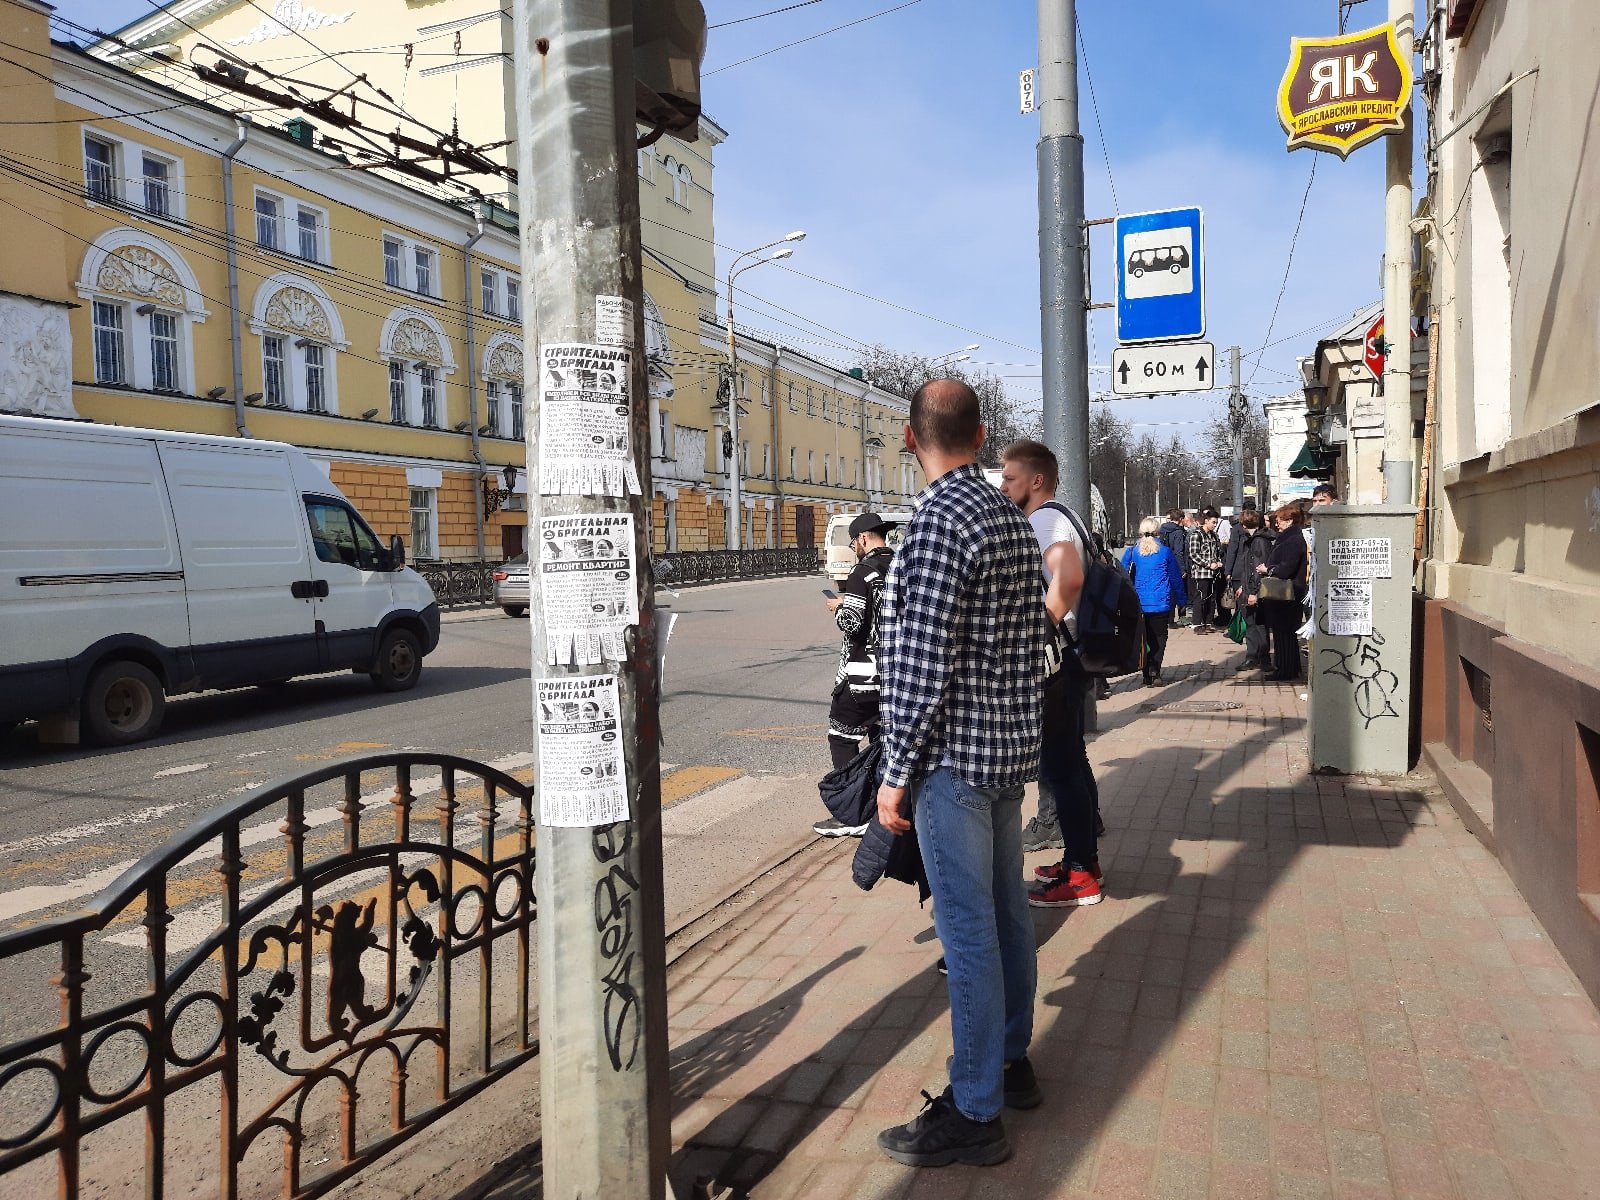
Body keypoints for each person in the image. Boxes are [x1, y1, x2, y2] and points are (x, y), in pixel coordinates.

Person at [874, 379, 1047, 1168]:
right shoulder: (1010, 520)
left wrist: (892, 775)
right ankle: (1010, 1064)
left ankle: (975, 1112)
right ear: (979, 436)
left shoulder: (936, 523)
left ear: (912, 439)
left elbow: (920, 667)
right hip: (1008, 755)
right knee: (1008, 916)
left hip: (954, 766)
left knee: (968, 933)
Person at [996, 440, 1101, 904]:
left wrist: (1038, 630)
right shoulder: (1062, 514)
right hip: (1075, 658)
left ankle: (1081, 876)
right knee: (1070, 766)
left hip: (1060, 663)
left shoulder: (1043, 520)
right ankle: (1082, 861)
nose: (1003, 485)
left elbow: (1070, 576)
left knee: (1062, 770)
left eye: (1010, 478)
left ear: (1036, 481)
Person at [813, 512, 895, 837]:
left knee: (841, 736)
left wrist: (839, 608)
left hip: (864, 673)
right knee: (880, 738)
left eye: (853, 543)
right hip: (896, 672)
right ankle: (880, 807)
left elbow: (853, 623)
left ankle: (854, 814)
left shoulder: (862, 572)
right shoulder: (899, 566)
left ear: (862, 539)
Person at [1121, 517, 1187, 686]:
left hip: (1140, 603)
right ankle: (1154, 670)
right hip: (1160, 602)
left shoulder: (1132, 552)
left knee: (1143, 638)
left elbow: (1121, 574)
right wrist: (1182, 600)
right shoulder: (1165, 552)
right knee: (1159, 637)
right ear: (1158, 531)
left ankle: (1145, 673)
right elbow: (1175, 578)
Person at [1255, 504, 1309, 681]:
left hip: (1287, 593)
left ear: (1289, 520)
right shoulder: (1291, 537)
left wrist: (1268, 569)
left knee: (1283, 633)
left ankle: (1285, 669)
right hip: (1289, 592)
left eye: (1278, 521)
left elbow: (1286, 568)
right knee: (1285, 634)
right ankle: (1289, 668)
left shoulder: (1293, 539)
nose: (1276, 525)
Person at [1227, 508, 1274, 672]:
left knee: (1256, 625)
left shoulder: (1258, 541)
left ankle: (1259, 658)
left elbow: (1257, 568)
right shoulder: (1255, 539)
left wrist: (1253, 591)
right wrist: (1243, 586)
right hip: (1250, 587)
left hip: (1255, 590)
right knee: (1254, 624)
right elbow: (1250, 568)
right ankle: (1256, 656)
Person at [1184, 507, 1225, 631]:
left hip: (1213, 573)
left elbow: (1217, 552)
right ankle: (1197, 623)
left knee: (1211, 599)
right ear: (1206, 521)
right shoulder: (1196, 535)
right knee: (1200, 598)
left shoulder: (1214, 535)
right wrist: (1208, 564)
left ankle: (1208, 622)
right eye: (1213, 522)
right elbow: (1194, 554)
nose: (1214, 525)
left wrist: (1218, 562)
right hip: (1201, 573)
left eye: (1216, 523)